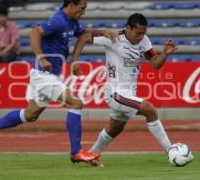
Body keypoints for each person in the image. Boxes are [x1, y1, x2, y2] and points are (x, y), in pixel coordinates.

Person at [0, 0, 118, 163]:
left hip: (46, 75)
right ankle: (76, 151)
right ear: (71, 5)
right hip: (44, 75)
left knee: (30, 115)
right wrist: (42, 58)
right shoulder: (58, 21)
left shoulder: (72, 21)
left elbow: (84, 32)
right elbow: (34, 32)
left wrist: (103, 31)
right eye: (82, 8)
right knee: (76, 102)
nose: (84, 11)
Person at [71, 13, 185, 167]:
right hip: (115, 92)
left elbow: (155, 64)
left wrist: (164, 54)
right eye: (138, 33)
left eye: (143, 33)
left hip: (129, 94)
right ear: (128, 28)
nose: (141, 36)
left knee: (115, 128)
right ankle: (171, 150)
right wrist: (74, 61)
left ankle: (92, 155)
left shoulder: (144, 41)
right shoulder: (114, 38)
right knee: (149, 109)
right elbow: (84, 37)